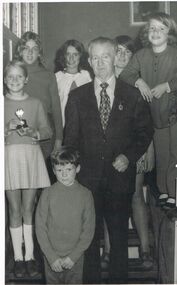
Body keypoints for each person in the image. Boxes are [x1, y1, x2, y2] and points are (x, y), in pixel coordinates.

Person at [63, 36, 154, 284]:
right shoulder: (77, 97)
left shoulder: (132, 95)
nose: (101, 62)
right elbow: (70, 141)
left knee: (119, 238)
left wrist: (129, 156)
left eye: (106, 56)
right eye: (95, 57)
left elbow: (144, 132)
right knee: (89, 240)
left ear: (115, 58)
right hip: (87, 180)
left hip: (119, 179)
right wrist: (73, 172)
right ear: (89, 61)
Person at [101, 35, 154, 270]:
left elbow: (146, 122)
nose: (122, 56)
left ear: (134, 57)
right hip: (110, 148)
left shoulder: (138, 80)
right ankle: (110, 250)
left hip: (135, 146)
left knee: (135, 195)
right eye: (118, 51)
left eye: (127, 52)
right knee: (108, 196)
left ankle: (145, 251)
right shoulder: (104, 76)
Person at [120, 12, 177, 209]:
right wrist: (139, 80)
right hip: (155, 116)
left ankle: (174, 192)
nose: (156, 32)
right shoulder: (141, 55)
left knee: (175, 154)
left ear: (169, 32)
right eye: (152, 28)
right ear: (147, 31)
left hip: (174, 112)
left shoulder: (174, 53)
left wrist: (168, 86)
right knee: (162, 155)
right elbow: (126, 74)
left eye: (161, 28)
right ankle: (164, 191)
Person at [4, 60, 52, 278]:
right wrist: (6, 129)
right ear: (5, 80)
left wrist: (34, 133)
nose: (14, 80)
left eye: (18, 76)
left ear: (26, 79)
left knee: (28, 209)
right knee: (13, 210)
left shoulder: (35, 103)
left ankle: (30, 256)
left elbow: (47, 130)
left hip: (30, 158)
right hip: (9, 158)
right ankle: (17, 258)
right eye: (10, 76)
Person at [35, 147, 95, 284]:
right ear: (53, 171)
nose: (64, 174)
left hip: (75, 257)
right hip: (51, 256)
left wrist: (73, 257)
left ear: (77, 168)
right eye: (59, 170)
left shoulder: (86, 195)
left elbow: (88, 230)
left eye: (68, 169)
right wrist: (51, 256)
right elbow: (40, 227)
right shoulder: (47, 193)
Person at [13, 31, 63, 181]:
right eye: (26, 48)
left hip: (45, 132)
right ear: (20, 51)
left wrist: (59, 139)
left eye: (34, 48)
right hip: (19, 128)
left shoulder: (48, 75)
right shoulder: (12, 73)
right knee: (22, 178)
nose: (30, 52)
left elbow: (56, 108)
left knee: (41, 178)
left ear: (39, 53)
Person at [55, 39, 92, 126]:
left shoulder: (87, 76)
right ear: (64, 56)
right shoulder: (57, 77)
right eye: (68, 54)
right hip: (63, 125)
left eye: (75, 54)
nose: (71, 58)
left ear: (80, 56)